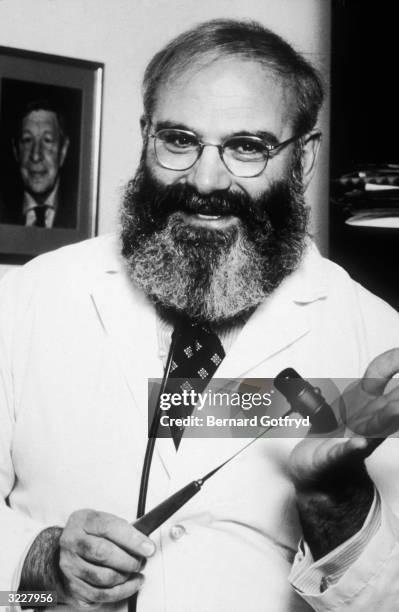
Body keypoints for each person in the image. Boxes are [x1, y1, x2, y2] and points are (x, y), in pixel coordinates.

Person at [0, 18, 399, 612]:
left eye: (247, 147)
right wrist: (37, 565)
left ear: (305, 157)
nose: (206, 181)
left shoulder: (376, 340)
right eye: (179, 140)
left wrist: (333, 501)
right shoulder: (32, 296)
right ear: (145, 137)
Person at [2, 99, 72, 228]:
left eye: (47, 140)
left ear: (63, 150)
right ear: (16, 149)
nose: (36, 155)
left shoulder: (77, 215)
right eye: (27, 140)